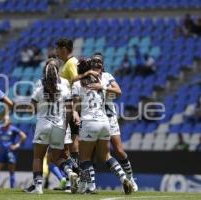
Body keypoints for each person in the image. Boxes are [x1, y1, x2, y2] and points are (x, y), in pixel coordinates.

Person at [72, 58, 133, 195]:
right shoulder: (100, 81)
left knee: (84, 158)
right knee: (106, 156)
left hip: (89, 121)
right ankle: (124, 178)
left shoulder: (77, 84)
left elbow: (76, 104)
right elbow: (116, 92)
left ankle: (91, 187)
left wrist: (75, 113)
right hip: (105, 122)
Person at [24, 58, 78, 194]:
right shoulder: (64, 88)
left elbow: (31, 109)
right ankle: (70, 173)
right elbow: (70, 110)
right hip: (59, 126)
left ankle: (38, 187)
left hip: (43, 124)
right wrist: (65, 125)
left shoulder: (40, 88)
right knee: (57, 157)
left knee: (38, 157)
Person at [88, 53, 138, 191]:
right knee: (93, 153)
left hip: (109, 117)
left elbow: (118, 91)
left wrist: (102, 87)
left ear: (102, 64)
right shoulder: (86, 78)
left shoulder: (107, 77)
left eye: (98, 62)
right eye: (94, 61)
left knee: (119, 150)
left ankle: (130, 178)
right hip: (93, 118)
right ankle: (90, 184)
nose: (96, 64)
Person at [55, 38, 80, 171]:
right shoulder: (68, 63)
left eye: (57, 49)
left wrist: (75, 109)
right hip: (70, 105)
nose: (56, 52)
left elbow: (76, 80)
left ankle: (77, 173)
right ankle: (75, 175)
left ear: (64, 49)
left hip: (71, 105)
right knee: (70, 143)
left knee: (72, 141)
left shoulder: (70, 63)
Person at [0, 121, 27, 188]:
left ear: (9, 122)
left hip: (10, 152)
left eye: (6, 121)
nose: (5, 122)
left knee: (11, 171)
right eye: (4, 120)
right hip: (1, 153)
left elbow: (24, 136)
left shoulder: (13, 129)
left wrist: (17, 145)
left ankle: (12, 188)